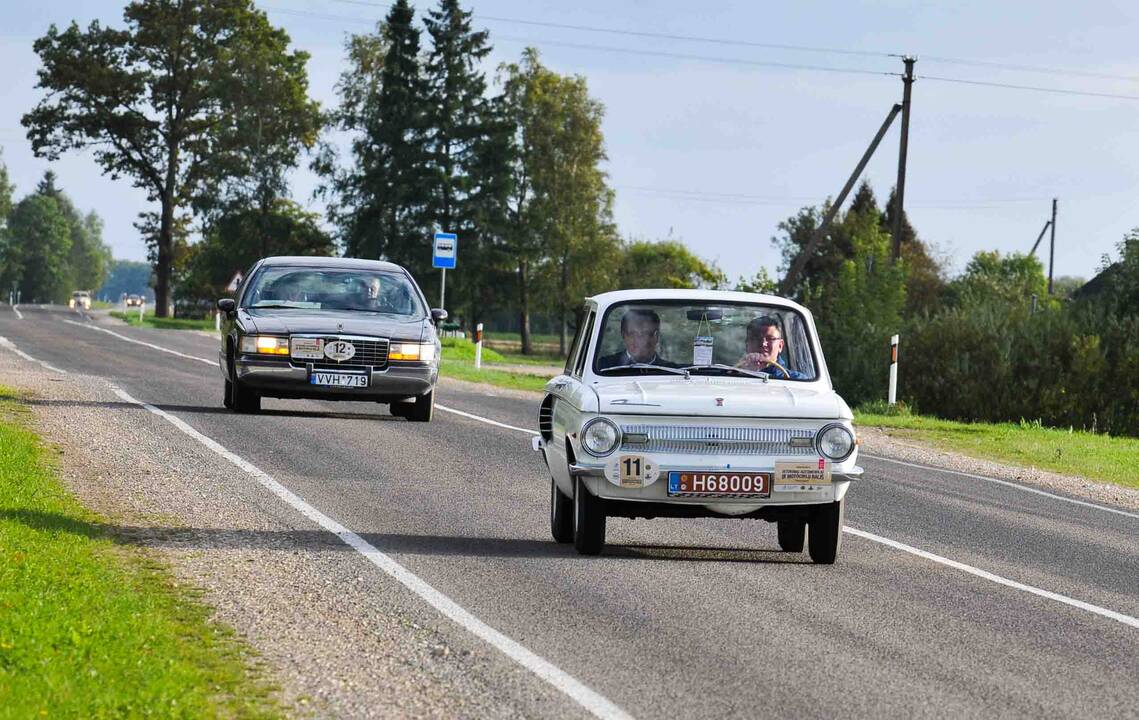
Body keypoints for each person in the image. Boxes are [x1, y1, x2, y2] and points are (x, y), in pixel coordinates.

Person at [597, 308, 677, 369]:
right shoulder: (604, 367)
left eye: (645, 333)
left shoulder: (672, 370)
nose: (639, 340)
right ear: (624, 335)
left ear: (656, 336)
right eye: (632, 334)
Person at [736, 316, 806, 379]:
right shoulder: (730, 376)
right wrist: (744, 372)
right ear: (747, 344)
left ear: (780, 346)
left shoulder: (798, 380)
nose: (763, 344)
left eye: (770, 339)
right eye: (756, 338)